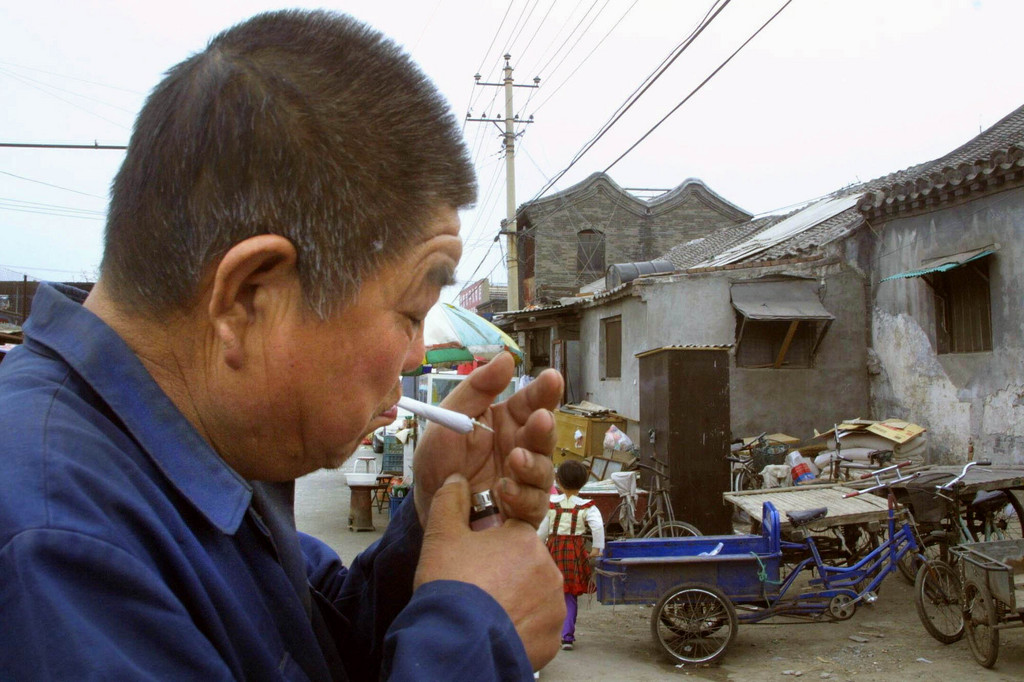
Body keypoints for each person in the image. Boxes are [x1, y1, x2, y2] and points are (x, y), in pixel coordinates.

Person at [0, 9, 566, 681]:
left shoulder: (205, 454)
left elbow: (314, 645)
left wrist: (434, 530)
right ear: (248, 298)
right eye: (411, 312)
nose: (414, 358)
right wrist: (472, 639)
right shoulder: (56, 550)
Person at [537, 460, 605, 650]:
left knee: (552, 592)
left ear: (557, 481)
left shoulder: (550, 504)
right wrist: (597, 548)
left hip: (554, 549)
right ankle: (567, 636)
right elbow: (598, 527)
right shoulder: (587, 506)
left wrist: (538, 546)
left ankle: (550, 632)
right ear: (584, 482)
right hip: (575, 551)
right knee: (570, 594)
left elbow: (542, 530)